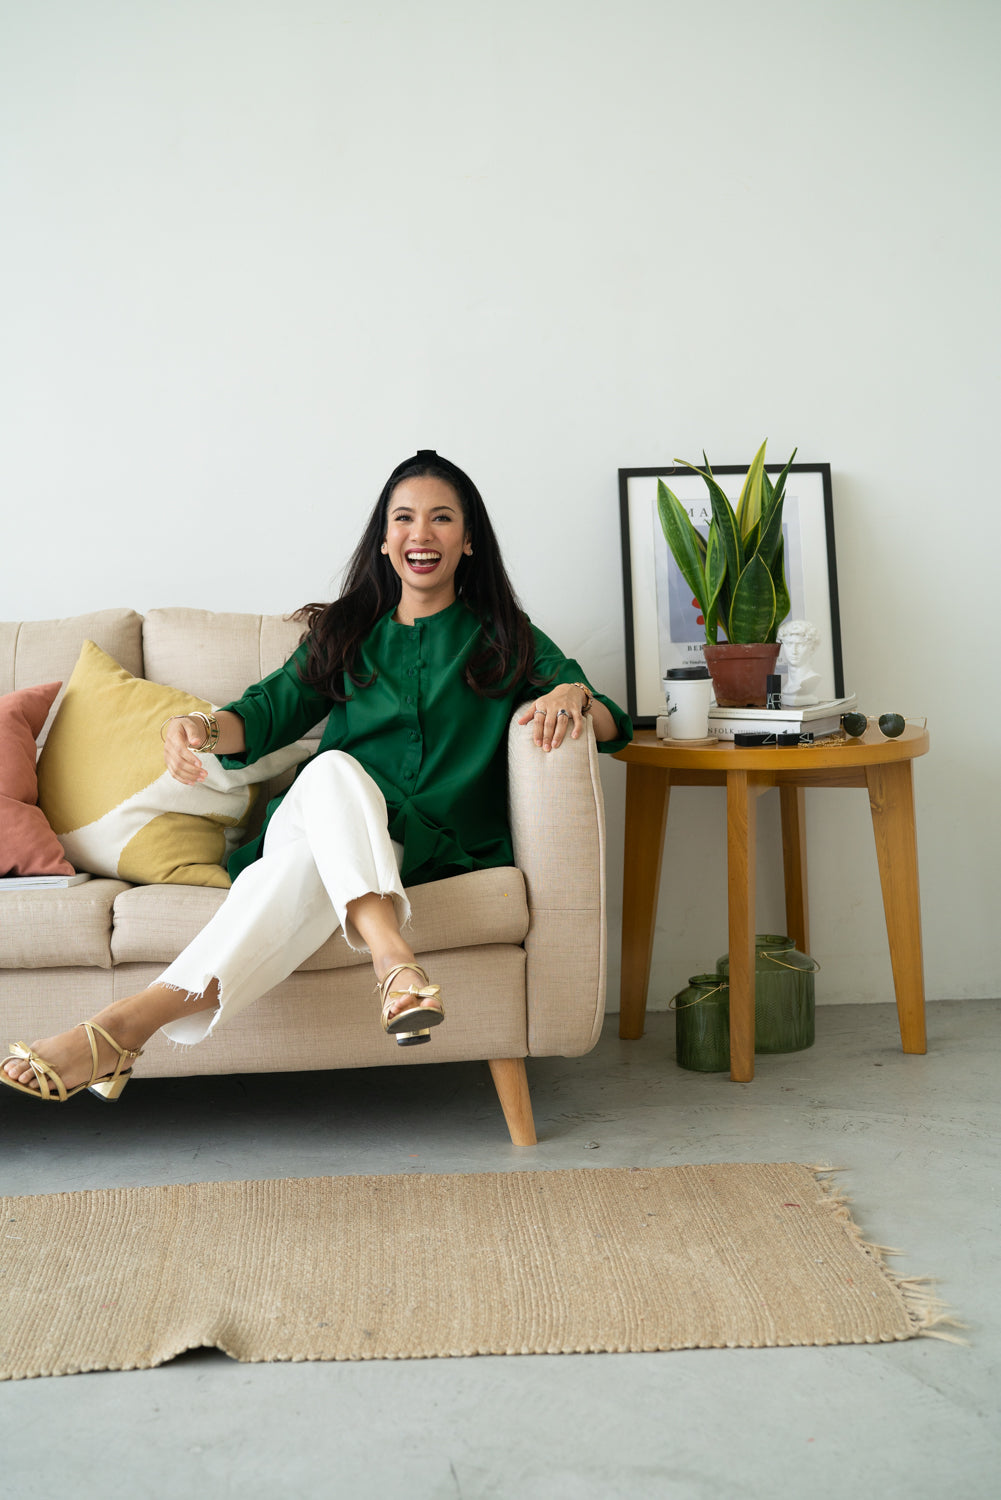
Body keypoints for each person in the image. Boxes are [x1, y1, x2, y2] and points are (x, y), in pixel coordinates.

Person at [3, 450, 632, 1102]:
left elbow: (612, 722)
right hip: (326, 813)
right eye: (404, 519)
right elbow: (264, 714)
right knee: (333, 769)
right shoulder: (346, 632)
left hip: (421, 846)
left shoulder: (505, 637)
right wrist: (199, 729)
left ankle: (118, 1029)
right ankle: (391, 957)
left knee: (296, 872)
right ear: (384, 540)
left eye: (441, 519)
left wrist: (575, 697)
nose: (421, 533)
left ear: (468, 540)